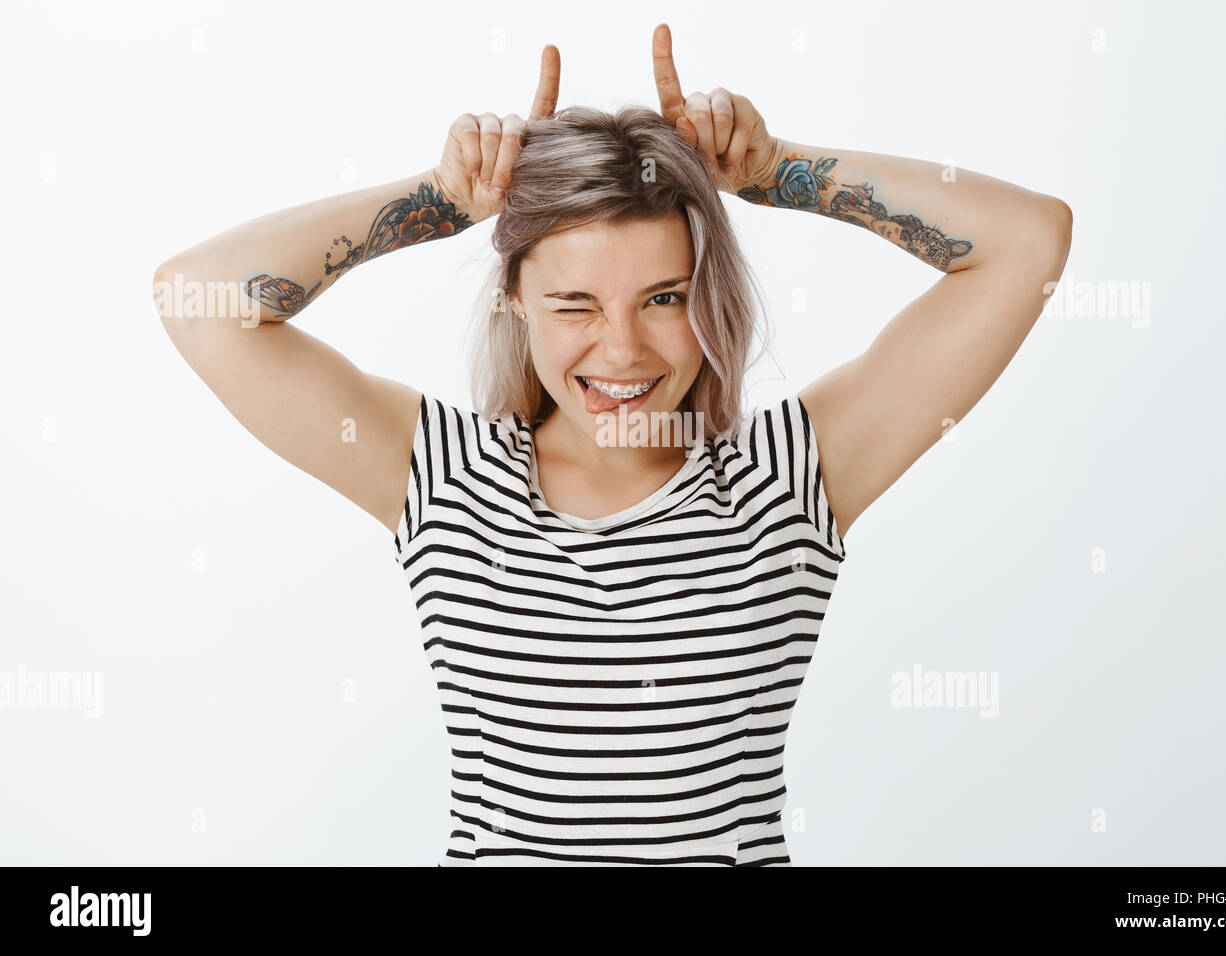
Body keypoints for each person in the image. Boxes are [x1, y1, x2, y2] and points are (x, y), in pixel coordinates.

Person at [153, 23, 1071, 866]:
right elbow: (198, 298)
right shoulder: (439, 477)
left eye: (664, 299)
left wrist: (777, 170)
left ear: (707, 297)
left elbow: (1027, 243)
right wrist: (439, 199)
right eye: (574, 305)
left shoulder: (787, 480)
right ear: (516, 300)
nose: (623, 350)